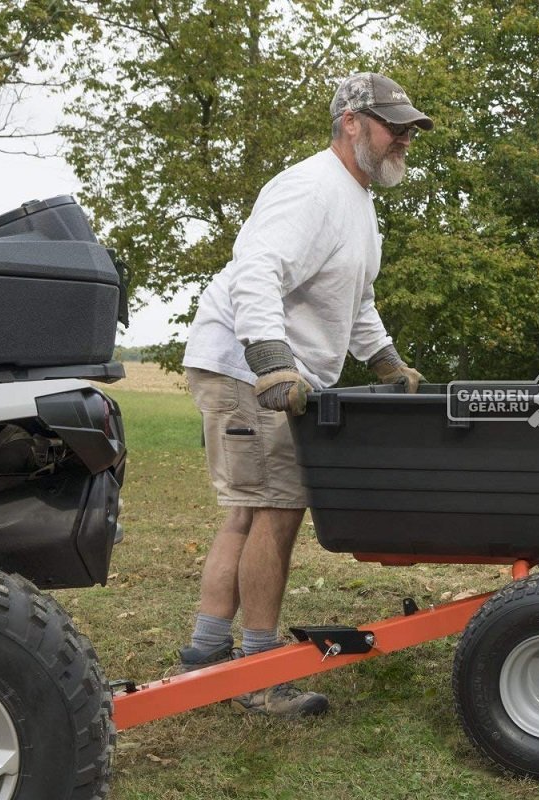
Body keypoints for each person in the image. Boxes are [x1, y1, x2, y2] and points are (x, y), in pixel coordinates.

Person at [176, 72, 431, 718]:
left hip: (248, 368)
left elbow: (355, 299)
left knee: (247, 511)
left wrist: (388, 364)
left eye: (407, 128)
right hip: (244, 369)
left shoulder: (359, 202)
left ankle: (207, 656)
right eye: (392, 124)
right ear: (351, 121)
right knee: (276, 511)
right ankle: (258, 675)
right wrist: (272, 362)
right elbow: (256, 268)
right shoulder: (313, 188)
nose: (404, 137)